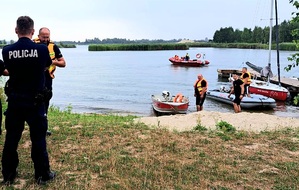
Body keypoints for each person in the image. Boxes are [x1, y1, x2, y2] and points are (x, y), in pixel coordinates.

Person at [1, 16, 55, 185]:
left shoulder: (6, 50)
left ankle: (9, 175)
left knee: (11, 139)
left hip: (15, 101)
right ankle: (42, 174)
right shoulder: (41, 49)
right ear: (33, 31)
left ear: (16, 30)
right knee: (38, 139)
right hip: (35, 102)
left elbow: (9, 69)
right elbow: (47, 66)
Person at [33, 27, 66, 136]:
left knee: (45, 103)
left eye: (48, 37)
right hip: (35, 78)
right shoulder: (33, 44)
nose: (46, 39)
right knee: (33, 103)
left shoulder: (53, 46)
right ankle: (33, 126)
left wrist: (52, 62)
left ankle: (43, 128)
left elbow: (63, 63)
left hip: (47, 79)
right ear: (39, 36)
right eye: (44, 37)